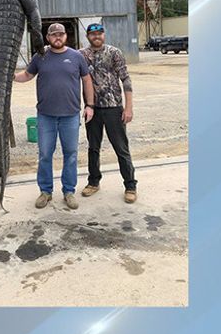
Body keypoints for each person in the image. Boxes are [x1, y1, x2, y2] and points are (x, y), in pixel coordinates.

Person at [14, 23, 95, 210]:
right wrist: (10, 75)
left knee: (71, 154)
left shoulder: (76, 57)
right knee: (44, 155)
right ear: (48, 37)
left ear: (65, 36)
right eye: (53, 35)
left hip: (70, 116)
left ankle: (69, 191)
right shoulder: (40, 56)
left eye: (61, 34)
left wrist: (89, 105)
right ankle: (45, 191)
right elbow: (27, 75)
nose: (57, 37)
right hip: (46, 116)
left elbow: (87, 80)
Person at [78, 23, 137, 203]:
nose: (96, 36)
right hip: (92, 109)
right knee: (93, 148)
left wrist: (128, 108)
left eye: (99, 33)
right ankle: (93, 182)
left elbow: (125, 79)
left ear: (104, 34)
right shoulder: (81, 55)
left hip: (113, 108)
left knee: (121, 148)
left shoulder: (114, 53)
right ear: (87, 36)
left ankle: (130, 186)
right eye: (92, 34)